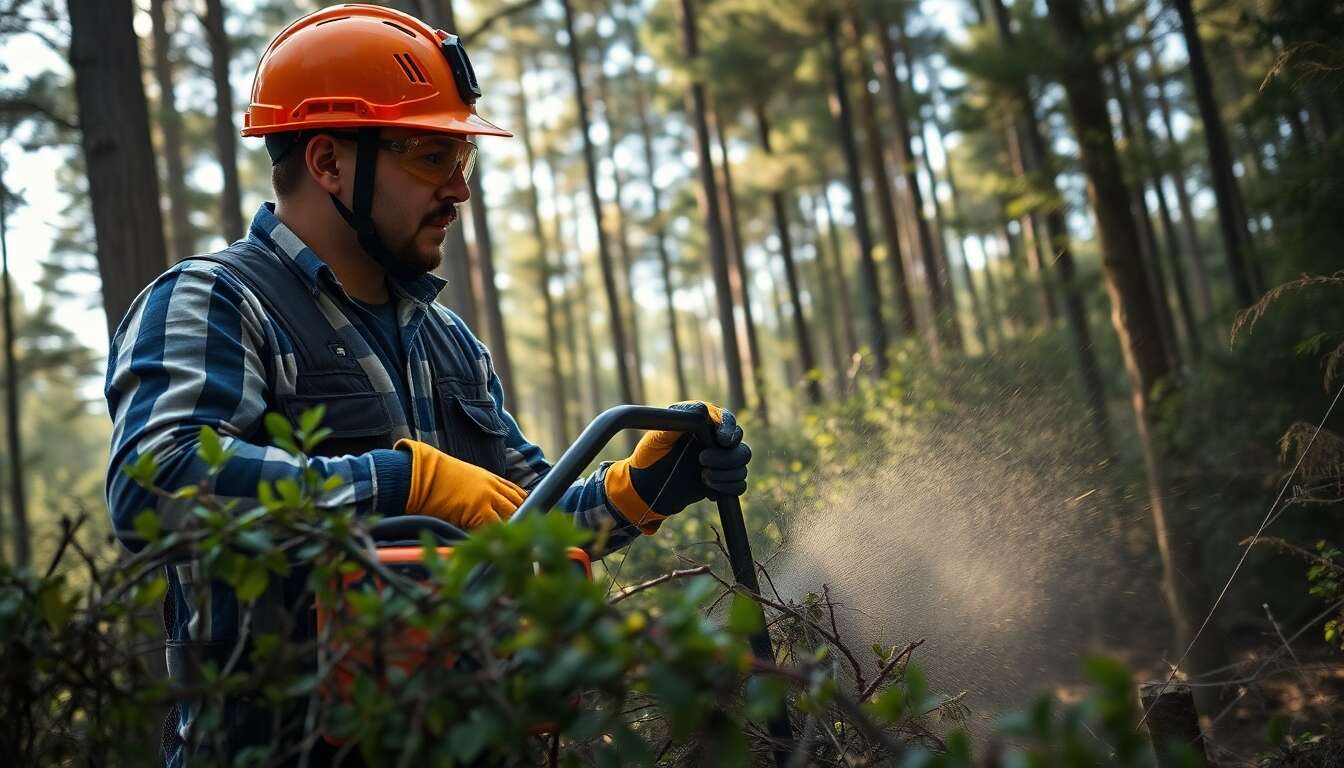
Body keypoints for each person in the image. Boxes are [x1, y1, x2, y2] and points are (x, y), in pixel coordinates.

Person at [102, 5, 750, 764]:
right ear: (328, 162)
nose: (459, 191)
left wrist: (633, 492)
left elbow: (525, 522)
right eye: (428, 157)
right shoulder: (212, 302)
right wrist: (401, 481)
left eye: (461, 162)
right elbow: (156, 487)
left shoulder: (448, 343)